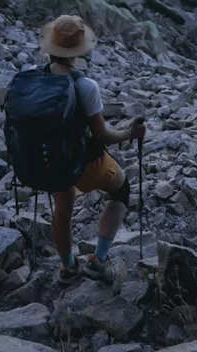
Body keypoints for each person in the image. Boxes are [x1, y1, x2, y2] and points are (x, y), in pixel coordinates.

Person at [38, 14, 146, 285]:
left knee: (63, 211)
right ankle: (99, 260)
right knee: (121, 191)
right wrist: (131, 133)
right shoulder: (85, 86)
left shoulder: (35, 81)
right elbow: (102, 135)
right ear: (77, 51)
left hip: (49, 161)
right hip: (84, 163)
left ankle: (68, 268)